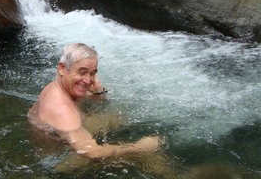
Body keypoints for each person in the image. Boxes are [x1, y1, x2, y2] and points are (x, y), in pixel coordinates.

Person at [28, 43, 163, 160]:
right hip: (59, 161)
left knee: (121, 116)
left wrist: (98, 90)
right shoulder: (62, 110)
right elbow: (92, 153)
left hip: (57, 141)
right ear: (62, 68)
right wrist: (138, 147)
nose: (88, 80)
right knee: (146, 156)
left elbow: (99, 101)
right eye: (82, 72)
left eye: (92, 73)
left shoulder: (59, 86)